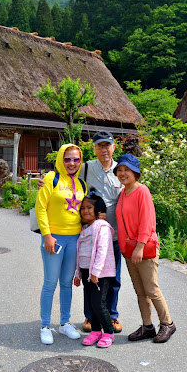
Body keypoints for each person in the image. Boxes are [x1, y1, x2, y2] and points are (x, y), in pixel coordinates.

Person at [39, 131, 124, 333]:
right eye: (99, 146)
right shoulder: (83, 170)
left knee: (110, 278)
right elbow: (47, 204)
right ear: (94, 149)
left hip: (105, 235)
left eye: (107, 145)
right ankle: (79, 318)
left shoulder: (119, 171)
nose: (72, 163)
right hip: (82, 237)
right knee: (80, 278)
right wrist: (44, 182)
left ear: (113, 147)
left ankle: (107, 317)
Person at [114, 153, 176, 343]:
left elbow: (148, 222)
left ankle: (168, 323)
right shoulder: (123, 193)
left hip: (143, 249)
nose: (123, 173)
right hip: (129, 250)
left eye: (127, 170)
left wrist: (140, 247)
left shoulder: (142, 191)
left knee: (152, 289)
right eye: (120, 170)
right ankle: (147, 326)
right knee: (140, 291)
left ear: (135, 173)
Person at [34, 143, 87, 345]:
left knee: (67, 283)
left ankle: (65, 323)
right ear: (60, 160)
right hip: (54, 238)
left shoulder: (82, 184)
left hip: (75, 239)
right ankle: (45, 326)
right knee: (50, 283)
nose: (72, 163)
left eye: (76, 159)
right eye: (67, 159)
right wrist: (46, 235)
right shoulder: (50, 178)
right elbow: (40, 208)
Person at [73, 190, 116, 348]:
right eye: (83, 208)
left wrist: (96, 272)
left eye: (89, 208)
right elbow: (81, 254)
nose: (85, 211)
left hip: (100, 273)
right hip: (86, 272)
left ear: (98, 210)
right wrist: (78, 273)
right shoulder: (85, 228)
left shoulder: (102, 227)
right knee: (91, 303)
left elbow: (102, 251)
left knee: (99, 303)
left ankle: (109, 332)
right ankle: (96, 331)